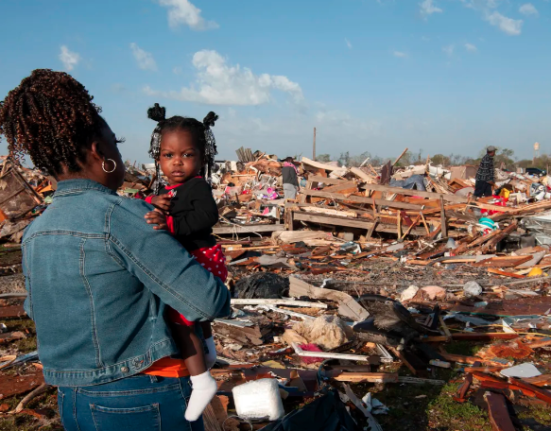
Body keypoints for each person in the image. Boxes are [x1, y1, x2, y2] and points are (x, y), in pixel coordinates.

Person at [0, 69, 230, 431]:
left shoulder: (35, 231)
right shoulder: (124, 217)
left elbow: (41, 310)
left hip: (73, 400)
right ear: (100, 151)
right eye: (116, 142)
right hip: (144, 395)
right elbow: (206, 301)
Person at [144, 103, 226, 421]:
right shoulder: (171, 188)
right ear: (159, 157)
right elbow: (160, 207)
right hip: (197, 259)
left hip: (200, 258)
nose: (177, 162)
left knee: (180, 319)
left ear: (201, 158)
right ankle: (208, 351)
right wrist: (154, 203)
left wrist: (169, 225)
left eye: (187, 155)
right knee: (195, 316)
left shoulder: (198, 186)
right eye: (168, 155)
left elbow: (207, 216)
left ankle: (201, 380)